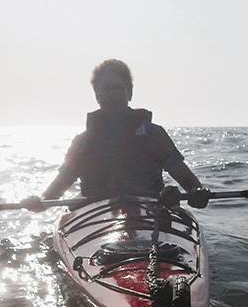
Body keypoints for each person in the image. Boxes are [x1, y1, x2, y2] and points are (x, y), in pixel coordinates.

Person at [23, 59, 210, 210]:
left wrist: (197, 191)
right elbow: (54, 192)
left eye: (117, 88)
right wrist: (40, 202)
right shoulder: (82, 142)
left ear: (130, 93)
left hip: (149, 212)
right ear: (96, 95)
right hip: (96, 216)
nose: (111, 94)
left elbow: (187, 180)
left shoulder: (154, 135)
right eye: (105, 89)